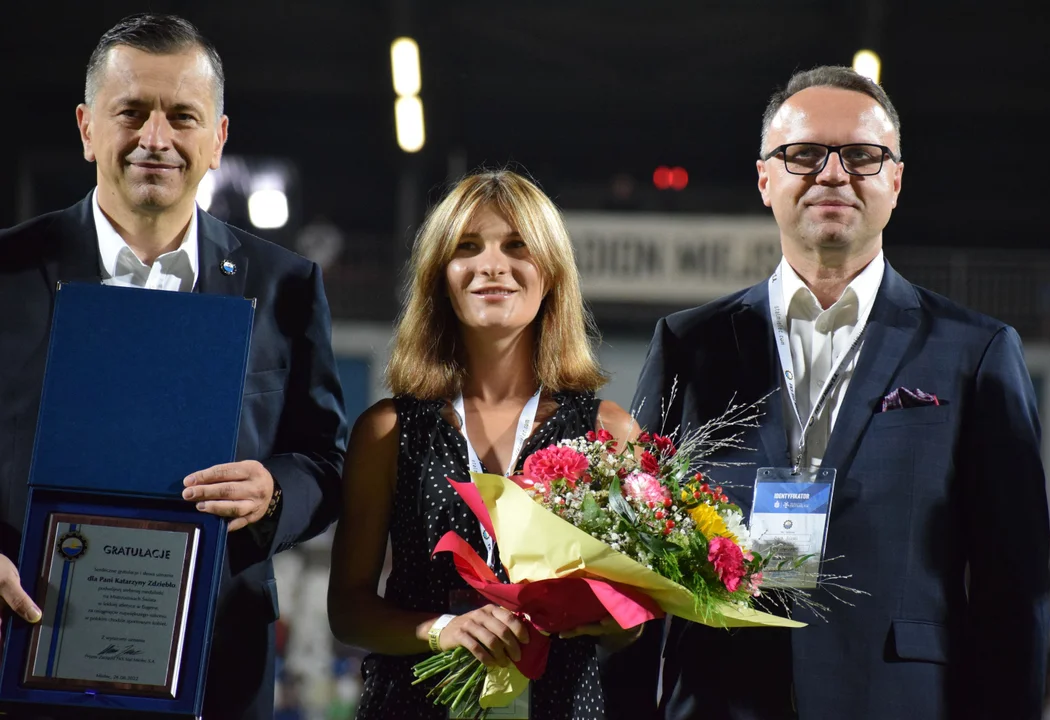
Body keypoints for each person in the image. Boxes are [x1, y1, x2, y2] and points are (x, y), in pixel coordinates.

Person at [625, 66, 1050, 719]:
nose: (832, 174)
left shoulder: (976, 352)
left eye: (862, 155)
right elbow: (634, 555)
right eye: (803, 154)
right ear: (765, 178)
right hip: (716, 698)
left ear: (897, 181)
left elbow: (1013, 589)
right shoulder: (689, 344)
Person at [0, 14, 347, 720]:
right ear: (87, 126)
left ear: (217, 138)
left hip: (217, 673)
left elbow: (326, 461)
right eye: (130, 112)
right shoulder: (6, 272)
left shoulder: (283, 285)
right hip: (23, 657)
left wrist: (274, 490)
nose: (155, 139)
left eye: (182, 116)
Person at [328, 170, 642, 719]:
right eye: (467, 247)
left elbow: (632, 620)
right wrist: (442, 628)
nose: (492, 265)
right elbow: (348, 610)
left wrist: (619, 619)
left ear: (551, 274)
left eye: (516, 246)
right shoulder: (387, 431)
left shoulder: (610, 433)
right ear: (440, 277)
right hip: (411, 704)